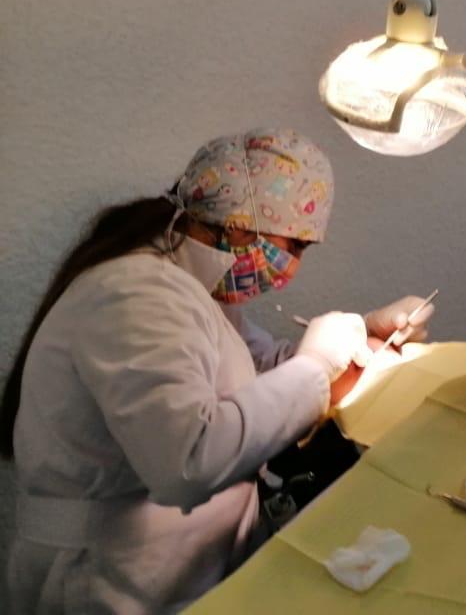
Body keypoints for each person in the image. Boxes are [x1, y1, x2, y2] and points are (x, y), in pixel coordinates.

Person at [1, 128, 434, 613]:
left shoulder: (191, 285)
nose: (292, 267)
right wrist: (315, 366)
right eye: (295, 244)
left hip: (182, 565)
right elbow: (188, 461)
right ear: (242, 224)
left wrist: (362, 337)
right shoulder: (133, 295)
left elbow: (256, 371)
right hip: (107, 580)